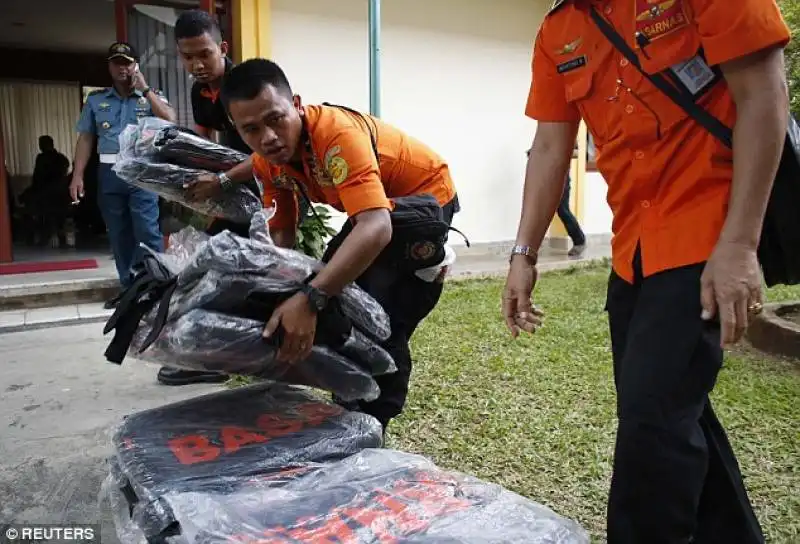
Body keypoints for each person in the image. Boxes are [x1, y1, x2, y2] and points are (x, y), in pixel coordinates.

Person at [503, 1, 790, 543]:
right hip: (633, 252)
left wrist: (739, 244)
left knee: (652, 425)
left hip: (707, 236)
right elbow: (549, 146)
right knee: (670, 413)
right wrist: (524, 253)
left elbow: (764, 96)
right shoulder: (558, 29)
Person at [211, 58, 460, 435]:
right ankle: (350, 400)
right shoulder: (268, 161)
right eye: (251, 130)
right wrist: (285, 286)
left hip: (422, 202)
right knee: (336, 290)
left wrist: (311, 298)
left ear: (295, 103)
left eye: (275, 119)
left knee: (382, 315)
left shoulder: (336, 134)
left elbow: (375, 228)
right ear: (237, 130)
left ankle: (374, 423)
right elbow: (284, 234)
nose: (268, 138)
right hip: (376, 211)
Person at [154, 8, 251, 386]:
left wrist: (223, 182)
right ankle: (216, 358)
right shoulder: (200, 90)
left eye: (204, 54)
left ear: (222, 48)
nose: (196, 64)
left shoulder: (246, 84)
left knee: (238, 272)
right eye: (187, 56)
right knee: (215, 267)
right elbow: (203, 143)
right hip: (233, 190)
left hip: (267, 189)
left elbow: (270, 153)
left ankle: (226, 358)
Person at [70, 43, 177, 309]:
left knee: (147, 231)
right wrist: (77, 175)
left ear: (135, 66)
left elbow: (171, 120)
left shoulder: (149, 96)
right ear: (110, 67)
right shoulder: (96, 100)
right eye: (117, 63)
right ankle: (128, 289)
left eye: (127, 63)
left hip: (142, 170)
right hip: (109, 171)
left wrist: (146, 89)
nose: (122, 68)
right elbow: (86, 139)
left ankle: (155, 288)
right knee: (118, 233)